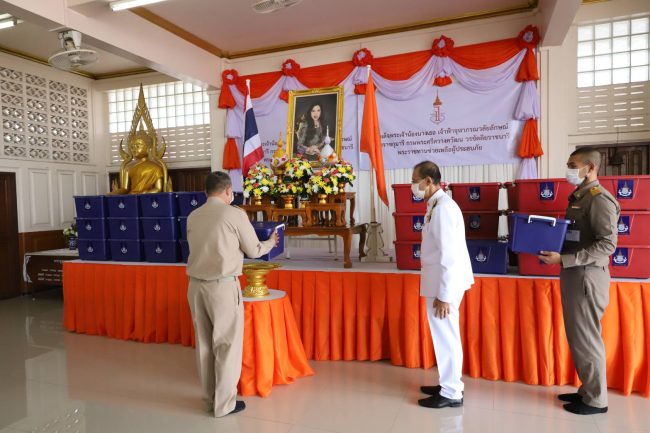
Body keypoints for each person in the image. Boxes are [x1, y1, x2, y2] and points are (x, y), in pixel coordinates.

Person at [186, 171, 278, 417]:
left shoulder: (193, 216)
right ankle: (224, 405)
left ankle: (209, 399)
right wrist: (271, 242)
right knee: (226, 345)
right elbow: (254, 250)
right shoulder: (234, 214)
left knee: (204, 345)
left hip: (195, 286)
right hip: (222, 287)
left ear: (206, 192)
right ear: (228, 191)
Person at [538, 147, 619, 415]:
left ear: (590, 168)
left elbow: (607, 245)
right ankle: (587, 390)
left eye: (573, 164)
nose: (569, 169)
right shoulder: (580, 196)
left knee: (587, 338)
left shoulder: (598, 199)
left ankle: (597, 400)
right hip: (575, 274)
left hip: (586, 276)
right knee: (579, 336)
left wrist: (564, 260)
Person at [411, 161, 474, 409]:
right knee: (444, 335)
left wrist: (445, 295)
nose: (412, 185)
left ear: (428, 180)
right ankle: (447, 383)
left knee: (446, 336)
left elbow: (450, 254)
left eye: (415, 180)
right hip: (439, 280)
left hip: (445, 284)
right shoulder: (436, 205)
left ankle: (451, 392)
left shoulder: (444, 208)